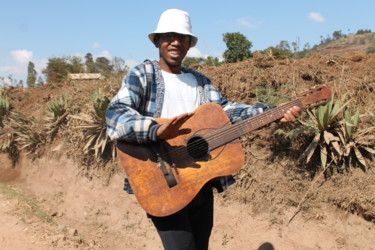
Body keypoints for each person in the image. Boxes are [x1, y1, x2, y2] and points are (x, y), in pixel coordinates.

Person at [106, 8, 301, 250]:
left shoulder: (200, 82)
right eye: (168, 36)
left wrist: (271, 113)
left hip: (200, 182)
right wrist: (157, 130)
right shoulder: (142, 75)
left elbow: (226, 111)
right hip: (161, 181)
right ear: (157, 40)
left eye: (182, 37)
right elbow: (115, 116)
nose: (176, 42)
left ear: (189, 44)